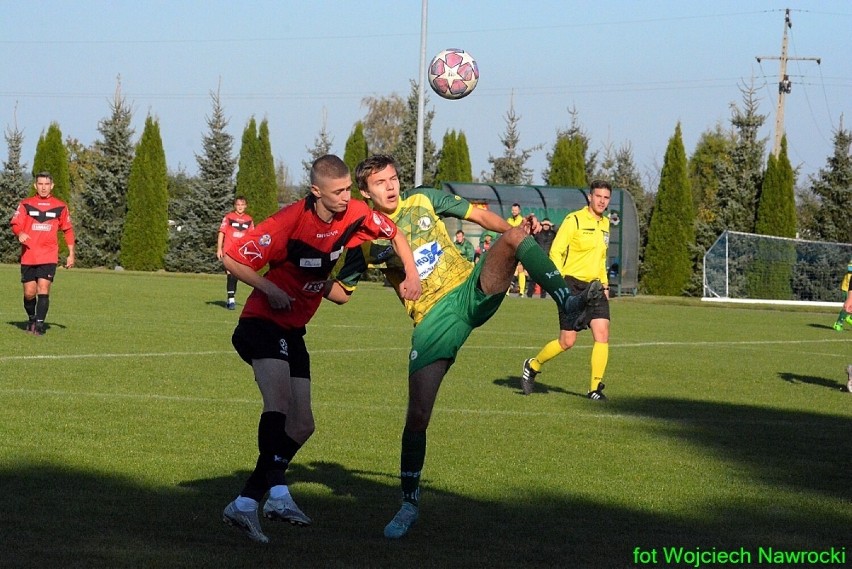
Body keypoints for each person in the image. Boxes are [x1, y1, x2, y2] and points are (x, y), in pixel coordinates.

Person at [325, 154, 602, 539]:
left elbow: (479, 217)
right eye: (380, 183)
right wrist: (316, 279)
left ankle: (567, 303)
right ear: (365, 192)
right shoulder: (365, 239)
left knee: (515, 237)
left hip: (469, 289)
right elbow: (341, 293)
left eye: (393, 178)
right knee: (417, 417)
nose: (390, 186)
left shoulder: (423, 199)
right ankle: (409, 503)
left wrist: (512, 232)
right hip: (433, 323)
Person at [220, 155, 421, 544]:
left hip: (294, 330)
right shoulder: (287, 222)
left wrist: (410, 273)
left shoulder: (356, 214)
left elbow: (394, 233)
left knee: (302, 425)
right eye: (339, 192)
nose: (348, 198)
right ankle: (277, 493)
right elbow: (230, 257)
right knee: (278, 403)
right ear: (316, 191)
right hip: (261, 323)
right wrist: (270, 288)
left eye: (349, 189)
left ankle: (245, 503)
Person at [521, 180, 613, 401]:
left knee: (602, 334)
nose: (602, 201)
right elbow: (556, 251)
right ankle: (533, 365)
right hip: (571, 285)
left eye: (606, 197)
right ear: (590, 197)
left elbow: (601, 257)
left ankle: (594, 389)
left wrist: (605, 284)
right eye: (598, 196)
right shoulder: (574, 220)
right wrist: (559, 282)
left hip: (596, 287)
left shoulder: (606, 224)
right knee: (567, 342)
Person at [10, 171, 76, 336]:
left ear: (51, 186)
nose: (43, 187)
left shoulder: (60, 206)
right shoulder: (26, 204)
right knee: (29, 292)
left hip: (48, 256)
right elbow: (15, 224)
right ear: (35, 186)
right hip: (29, 255)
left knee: (43, 288)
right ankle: (32, 318)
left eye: (47, 184)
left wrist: (71, 253)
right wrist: (20, 233)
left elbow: (68, 230)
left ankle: (39, 325)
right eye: (40, 184)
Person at [217, 196, 254, 310]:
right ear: (234, 206)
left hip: (241, 252)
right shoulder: (228, 217)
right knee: (230, 273)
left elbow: (252, 237)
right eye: (238, 205)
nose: (240, 207)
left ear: (246, 206)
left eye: (242, 205)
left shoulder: (249, 220)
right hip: (228, 251)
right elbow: (221, 233)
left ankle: (231, 297)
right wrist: (219, 248)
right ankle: (231, 299)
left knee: (236, 275)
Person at [527, 217, 557, 297]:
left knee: (545, 278)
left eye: (548, 225)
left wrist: (552, 225)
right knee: (533, 276)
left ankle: (543, 296)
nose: (546, 226)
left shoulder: (553, 234)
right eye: (544, 224)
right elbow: (530, 232)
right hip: (538, 257)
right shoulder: (538, 233)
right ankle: (529, 295)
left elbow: (559, 231)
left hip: (547, 258)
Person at [507, 203, 526, 295]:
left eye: (515, 210)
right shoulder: (509, 220)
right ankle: (506, 290)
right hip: (510, 247)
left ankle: (522, 291)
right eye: (512, 210)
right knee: (509, 268)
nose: (513, 211)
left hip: (519, 246)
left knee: (520, 268)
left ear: (519, 211)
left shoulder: (522, 220)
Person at [831, 258, 852, 332]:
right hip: (847, 290)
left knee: (849, 307)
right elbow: (850, 267)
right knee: (848, 306)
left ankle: (848, 317)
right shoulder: (850, 274)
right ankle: (838, 323)